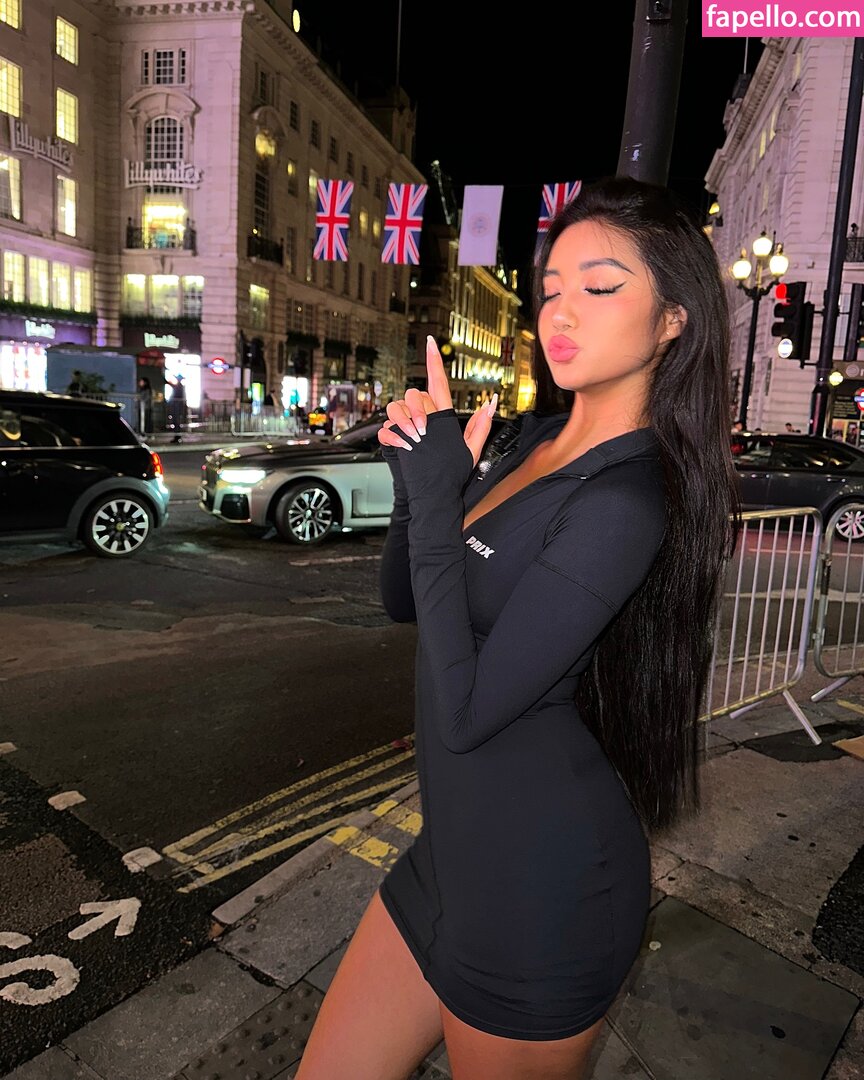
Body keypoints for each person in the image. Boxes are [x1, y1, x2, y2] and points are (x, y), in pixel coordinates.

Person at [293, 176, 740, 1080]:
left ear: (673, 320)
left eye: (600, 287)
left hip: (544, 895)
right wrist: (424, 482)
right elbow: (407, 601)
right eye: (551, 288)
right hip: (448, 861)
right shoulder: (533, 442)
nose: (559, 313)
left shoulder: (625, 499)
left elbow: (465, 715)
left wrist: (435, 505)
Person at [168, 374, 187, 443]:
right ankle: (177, 437)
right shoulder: (179, 386)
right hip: (176, 407)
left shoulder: (179, 386)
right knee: (176, 422)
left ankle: (177, 437)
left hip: (177, 407)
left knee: (176, 422)